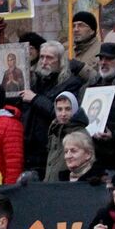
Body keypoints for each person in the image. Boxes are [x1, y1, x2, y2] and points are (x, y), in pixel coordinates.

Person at [17, 41, 84, 175]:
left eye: (49, 58)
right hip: (29, 147)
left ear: (60, 61)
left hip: (51, 146)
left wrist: (36, 99)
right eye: (42, 57)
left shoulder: (70, 83)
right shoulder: (34, 80)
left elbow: (62, 114)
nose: (44, 61)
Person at [43, 92, 89, 181]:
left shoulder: (80, 135)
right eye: (59, 109)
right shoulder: (55, 130)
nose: (63, 114)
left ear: (74, 110)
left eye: (68, 109)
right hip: (51, 187)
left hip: (67, 188)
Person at [68, 10, 101, 80]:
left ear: (92, 31)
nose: (75, 29)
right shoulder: (67, 53)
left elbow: (102, 79)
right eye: (73, 26)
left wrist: (81, 68)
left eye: (81, 25)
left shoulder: (102, 50)